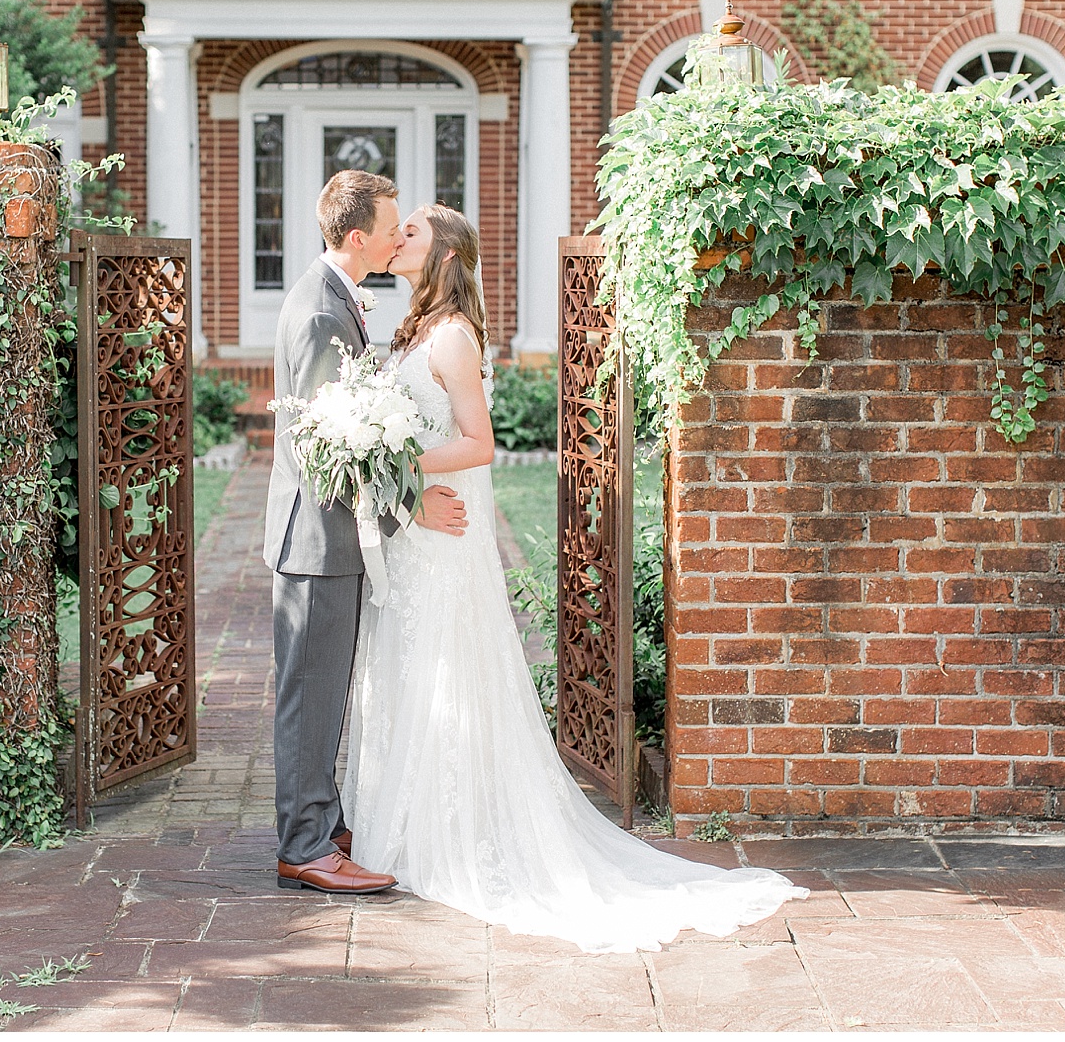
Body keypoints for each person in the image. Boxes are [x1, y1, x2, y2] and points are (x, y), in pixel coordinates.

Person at [341, 203, 809, 952]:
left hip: (444, 532)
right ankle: (398, 816)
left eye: (412, 234)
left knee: (441, 665)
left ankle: (445, 829)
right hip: (415, 530)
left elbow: (479, 444)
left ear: (448, 258)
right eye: (398, 232)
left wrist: (394, 468)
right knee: (406, 667)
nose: (397, 239)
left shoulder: (454, 337)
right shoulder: (413, 329)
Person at [263, 170, 467, 895]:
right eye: (388, 228)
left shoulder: (334, 299)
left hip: (325, 538)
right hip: (318, 541)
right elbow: (332, 447)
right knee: (311, 697)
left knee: (321, 692)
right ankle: (306, 844)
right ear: (358, 237)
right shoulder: (322, 312)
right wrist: (410, 505)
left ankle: (323, 820)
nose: (395, 238)